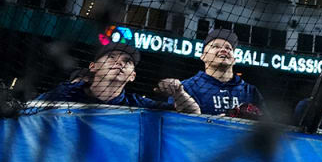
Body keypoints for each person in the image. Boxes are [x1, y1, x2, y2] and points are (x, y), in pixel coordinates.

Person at [37, 42, 200, 114]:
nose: (119, 63)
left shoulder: (137, 105)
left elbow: (192, 113)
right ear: (93, 67)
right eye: (111, 57)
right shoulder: (65, 94)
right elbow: (30, 110)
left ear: (132, 76)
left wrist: (179, 92)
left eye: (127, 61)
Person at [178, 29, 263, 116]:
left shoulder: (250, 91)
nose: (223, 50)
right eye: (216, 46)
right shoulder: (186, 87)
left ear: (234, 60)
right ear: (203, 56)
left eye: (228, 48)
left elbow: (267, 124)